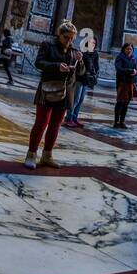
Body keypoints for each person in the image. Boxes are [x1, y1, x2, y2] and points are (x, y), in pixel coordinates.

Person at [23, 19, 83, 170]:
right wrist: (57, 67)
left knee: (55, 125)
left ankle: (47, 155)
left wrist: (80, 63)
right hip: (48, 89)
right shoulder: (48, 46)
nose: (69, 41)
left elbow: (81, 73)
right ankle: (31, 154)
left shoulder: (74, 52)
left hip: (65, 91)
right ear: (59, 34)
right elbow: (39, 63)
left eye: (72, 39)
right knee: (41, 122)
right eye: (66, 37)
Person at [65, 35, 99, 126]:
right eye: (91, 42)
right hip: (79, 78)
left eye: (94, 43)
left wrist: (94, 74)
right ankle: (68, 118)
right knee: (75, 99)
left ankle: (75, 118)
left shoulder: (95, 54)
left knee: (80, 101)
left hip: (87, 80)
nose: (92, 44)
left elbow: (96, 66)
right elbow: (77, 65)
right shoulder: (81, 52)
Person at [114, 42, 137, 128]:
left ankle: (122, 121)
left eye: (131, 49)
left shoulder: (134, 59)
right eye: (127, 49)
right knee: (120, 102)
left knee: (126, 103)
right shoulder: (120, 57)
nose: (129, 50)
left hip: (131, 83)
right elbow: (119, 68)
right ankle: (116, 121)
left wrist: (136, 72)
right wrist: (130, 71)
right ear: (124, 49)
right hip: (122, 82)